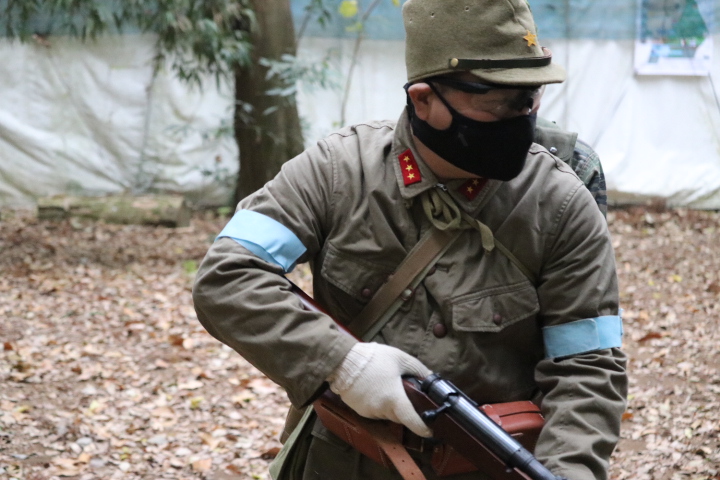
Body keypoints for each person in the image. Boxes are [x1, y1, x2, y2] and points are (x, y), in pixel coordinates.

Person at [192, 1, 628, 479]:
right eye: (500, 102)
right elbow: (227, 276)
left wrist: (570, 472)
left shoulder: (561, 205)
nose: (521, 116)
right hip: (339, 463)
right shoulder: (337, 172)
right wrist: (344, 363)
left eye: (530, 98)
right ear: (424, 100)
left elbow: (586, 368)